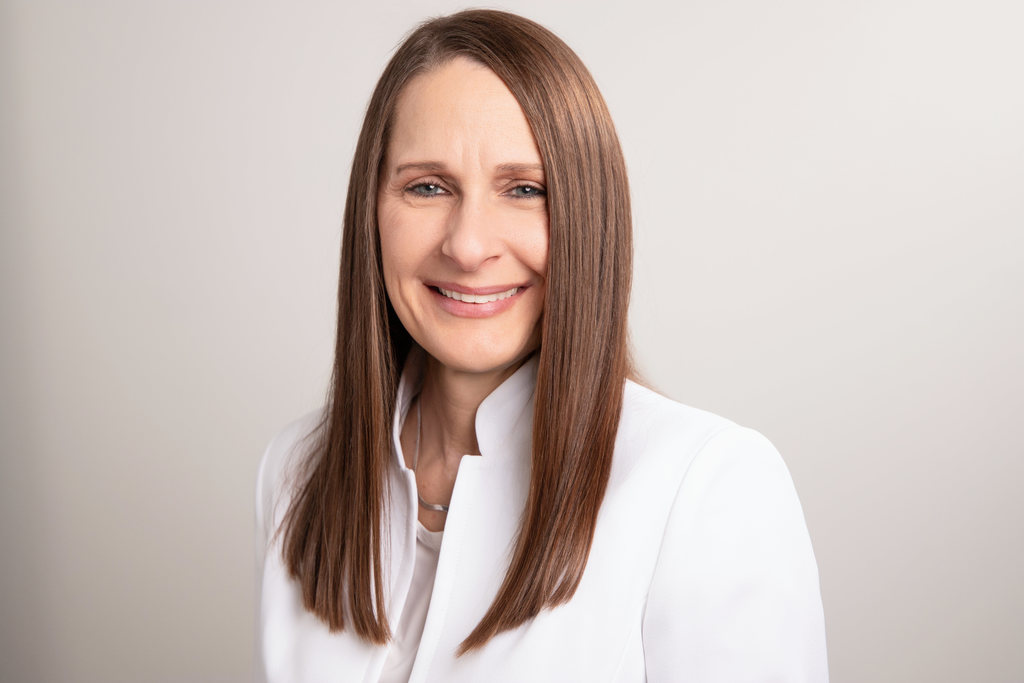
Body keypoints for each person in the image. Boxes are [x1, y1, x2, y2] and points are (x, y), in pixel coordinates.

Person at [255, 9, 827, 682]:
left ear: (588, 217)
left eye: (525, 189)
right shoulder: (297, 472)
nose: (468, 246)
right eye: (427, 186)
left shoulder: (705, 488)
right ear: (372, 208)